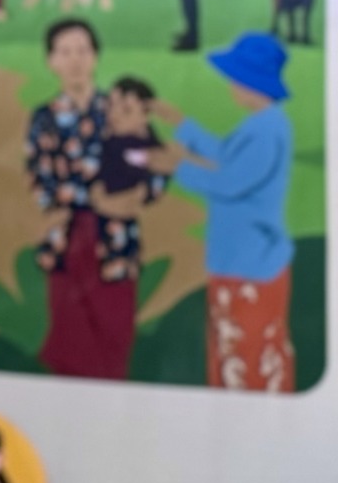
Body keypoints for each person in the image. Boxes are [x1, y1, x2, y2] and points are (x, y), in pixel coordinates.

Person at [150, 33, 297, 392]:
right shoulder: (261, 124)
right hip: (238, 264)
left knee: (248, 356)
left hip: (251, 269)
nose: (231, 85)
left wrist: (176, 166)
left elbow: (229, 181)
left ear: (250, 82)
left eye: (235, 78)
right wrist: (182, 124)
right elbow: (225, 155)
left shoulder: (267, 131)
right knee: (232, 351)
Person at [25, 19, 146, 379]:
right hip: (66, 241)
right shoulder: (44, 118)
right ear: (51, 61)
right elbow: (40, 180)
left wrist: (131, 197)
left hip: (117, 242)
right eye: (65, 52)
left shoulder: (121, 111)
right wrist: (89, 199)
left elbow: (151, 165)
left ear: (95, 56)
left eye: (82, 50)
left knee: (115, 334)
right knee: (69, 339)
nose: (75, 60)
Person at [88, 76, 167, 283]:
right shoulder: (105, 140)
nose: (115, 115)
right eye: (111, 106)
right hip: (98, 217)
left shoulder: (148, 148)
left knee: (121, 261)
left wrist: (136, 196)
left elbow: (150, 187)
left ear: (145, 115)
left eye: (126, 110)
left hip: (123, 216)